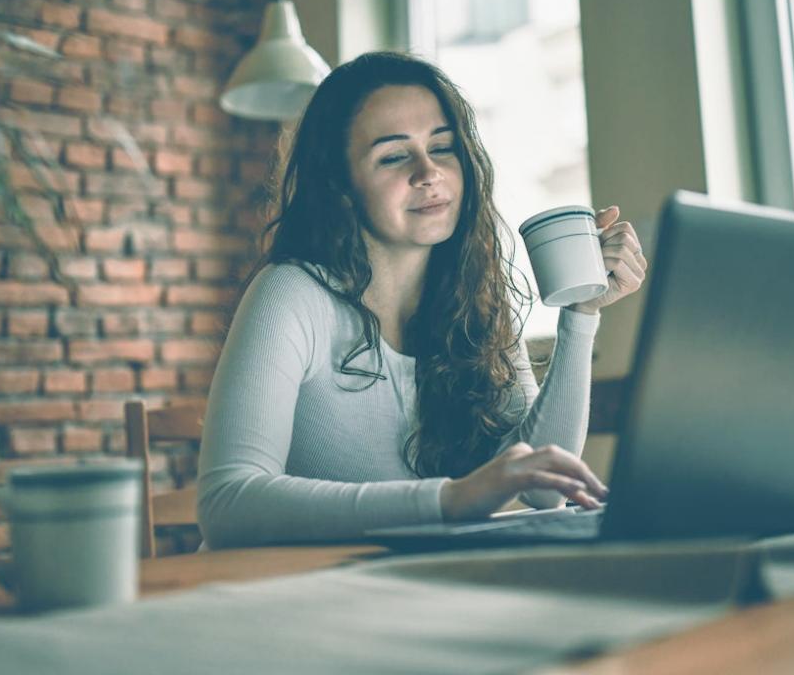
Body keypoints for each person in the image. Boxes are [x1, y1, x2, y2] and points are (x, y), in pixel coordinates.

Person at [197, 51, 647, 548]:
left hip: (408, 590)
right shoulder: (293, 292)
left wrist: (581, 314)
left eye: (443, 147)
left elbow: (543, 493)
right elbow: (227, 504)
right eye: (393, 156)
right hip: (289, 598)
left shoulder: (476, 298)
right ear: (340, 184)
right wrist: (449, 500)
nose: (428, 171)